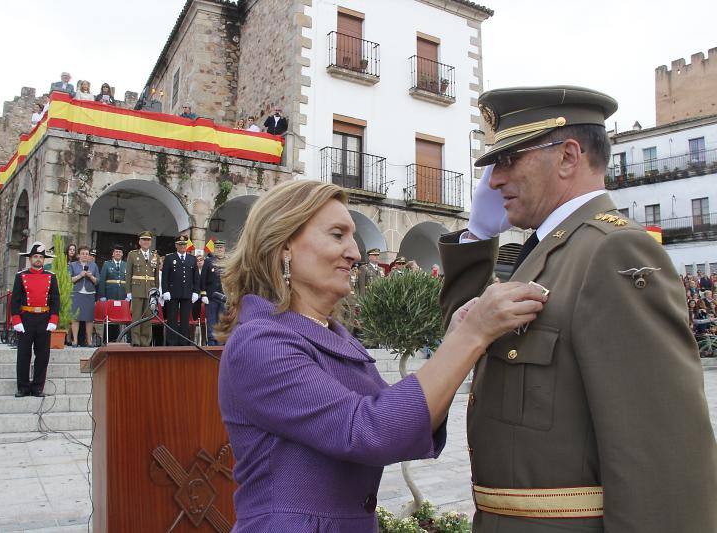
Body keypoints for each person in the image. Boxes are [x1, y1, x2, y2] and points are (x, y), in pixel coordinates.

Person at [438, 85, 717, 532]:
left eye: (509, 160)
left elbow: (661, 455)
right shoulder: (547, 251)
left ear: (568, 156)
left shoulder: (613, 252)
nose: (494, 181)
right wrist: (476, 235)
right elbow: (460, 336)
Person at [216, 179, 545, 531]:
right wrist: (471, 335)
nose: (355, 253)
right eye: (337, 234)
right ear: (283, 246)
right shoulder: (260, 342)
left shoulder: (331, 336)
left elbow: (394, 415)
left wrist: (454, 337)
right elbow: (367, 430)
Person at [10, 242, 60, 397]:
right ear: (30, 258)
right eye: (35, 257)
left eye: (40, 257)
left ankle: (38, 387)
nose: (38, 259)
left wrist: (53, 318)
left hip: (44, 318)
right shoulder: (21, 276)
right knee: (23, 354)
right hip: (26, 318)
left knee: (43, 354)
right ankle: (23, 387)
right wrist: (16, 319)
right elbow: (15, 300)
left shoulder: (51, 277)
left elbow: (56, 299)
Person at [160, 234, 200, 345]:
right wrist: (165, 291)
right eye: (180, 244)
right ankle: (171, 342)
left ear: (186, 245)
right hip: (172, 293)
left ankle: (184, 342)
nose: (182, 246)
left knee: (185, 320)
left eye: (184, 244)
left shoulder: (192, 259)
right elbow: (165, 277)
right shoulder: (169, 258)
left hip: (187, 293)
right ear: (176, 245)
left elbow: (196, 277)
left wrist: (196, 292)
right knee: (172, 319)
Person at [125, 231, 159, 346]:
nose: (146, 242)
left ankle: (145, 342)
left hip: (150, 290)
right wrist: (128, 291)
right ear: (139, 241)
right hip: (137, 290)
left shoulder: (155, 256)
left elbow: (156, 276)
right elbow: (128, 274)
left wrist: (156, 291)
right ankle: (136, 341)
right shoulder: (133, 254)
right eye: (144, 239)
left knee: (148, 318)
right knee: (136, 317)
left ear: (150, 242)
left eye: (148, 240)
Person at [68, 246, 99, 347]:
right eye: (83, 253)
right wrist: (80, 275)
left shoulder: (93, 266)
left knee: (89, 318)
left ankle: (89, 340)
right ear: (78, 255)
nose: (85, 255)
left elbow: (97, 281)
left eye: (87, 254)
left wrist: (90, 276)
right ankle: (75, 340)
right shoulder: (72, 265)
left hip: (89, 294)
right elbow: (69, 279)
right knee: (75, 317)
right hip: (76, 293)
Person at [97, 244, 128, 341]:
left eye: (120, 252)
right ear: (113, 254)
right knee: (110, 318)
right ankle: (108, 339)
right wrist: (102, 295)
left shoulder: (125, 265)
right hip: (110, 294)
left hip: (122, 294)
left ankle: (120, 339)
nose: (118, 253)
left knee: (121, 317)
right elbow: (102, 280)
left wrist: (128, 294)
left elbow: (128, 280)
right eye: (116, 252)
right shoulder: (107, 264)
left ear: (122, 254)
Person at [205, 239, 225, 346]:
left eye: (221, 247)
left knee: (222, 319)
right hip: (212, 295)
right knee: (212, 318)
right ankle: (212, 340)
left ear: (224, 249)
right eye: (217, 247)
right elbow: (203, 278)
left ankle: (221, 339)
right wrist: (203, 293)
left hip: (224, 296)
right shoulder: (209, 261)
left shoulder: (227, 261)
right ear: (214, 249)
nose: (219, 249)